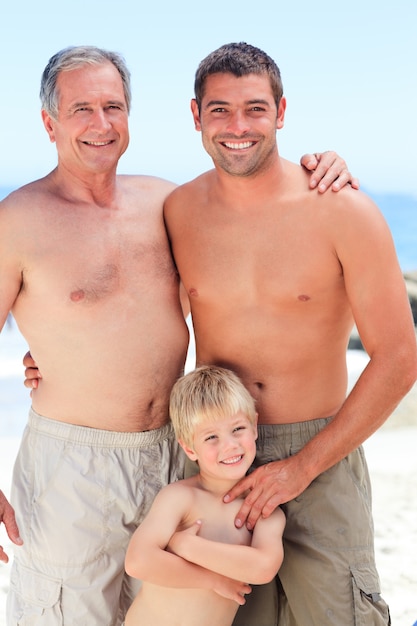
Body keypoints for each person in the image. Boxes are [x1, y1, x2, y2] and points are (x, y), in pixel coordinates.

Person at [0, 44, 354, 625]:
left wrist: (325, 166)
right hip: (73, 466)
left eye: (113, 106)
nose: (100, 123)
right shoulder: (18, 220)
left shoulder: (167, 203)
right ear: (49, 123)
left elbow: (256, 206)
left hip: (176, 457)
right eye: (81, 108)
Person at [162, 42, 417, 626]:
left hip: (320, 455)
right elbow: (140, 317)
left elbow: (400, 358)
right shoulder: (177, 211)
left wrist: (302, 467)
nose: (238, 127)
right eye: (220, 109)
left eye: (255, 108)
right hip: (217, 458)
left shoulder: (343, 211)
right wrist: (49, 360)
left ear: (281, 112)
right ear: (195, 116)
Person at [124, 365, 285, 626]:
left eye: (237, 429)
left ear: (254, 426)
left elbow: (263, 567)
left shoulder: (263, 510)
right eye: (211, 437)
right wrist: (214, 580)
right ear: (189, 448)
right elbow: (138, 562)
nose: (229, 445)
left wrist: (188, 546)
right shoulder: (180, 498)